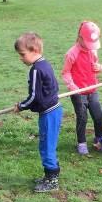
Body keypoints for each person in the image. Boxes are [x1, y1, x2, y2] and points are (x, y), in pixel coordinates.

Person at [14, 32, 63, 192]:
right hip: (54, 109)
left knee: (46, 146)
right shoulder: (46, 64)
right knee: (48, 144)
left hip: (49, 113)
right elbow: (54, 87)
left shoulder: (36, 69)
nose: (21, 59)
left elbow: (34, 96)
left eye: (22, 54)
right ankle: (50, 176)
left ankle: (52, 181)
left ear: (34, 50)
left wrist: (21, 106)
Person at [62, 21, 102, 155]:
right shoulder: (72, 53)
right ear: (80, 38)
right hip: (78, 92)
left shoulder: (92, 50)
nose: (90, 47)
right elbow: (66, 72)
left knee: (98, 116)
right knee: (82, 117)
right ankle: (81, 142)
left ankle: (99, 139)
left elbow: (95, 65)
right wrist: (72, 86)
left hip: (93, 89)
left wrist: (99, 67)